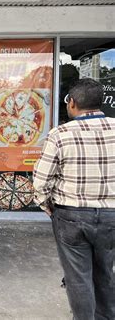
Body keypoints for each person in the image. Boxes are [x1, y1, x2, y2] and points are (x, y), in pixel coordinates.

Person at [33, 78, 115, 320]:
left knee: (78, 278)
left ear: (73, 103)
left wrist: (47, 206)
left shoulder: (60, 134)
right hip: (111, 215)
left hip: (71, 215)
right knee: (105, 273)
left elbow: (40, 180)